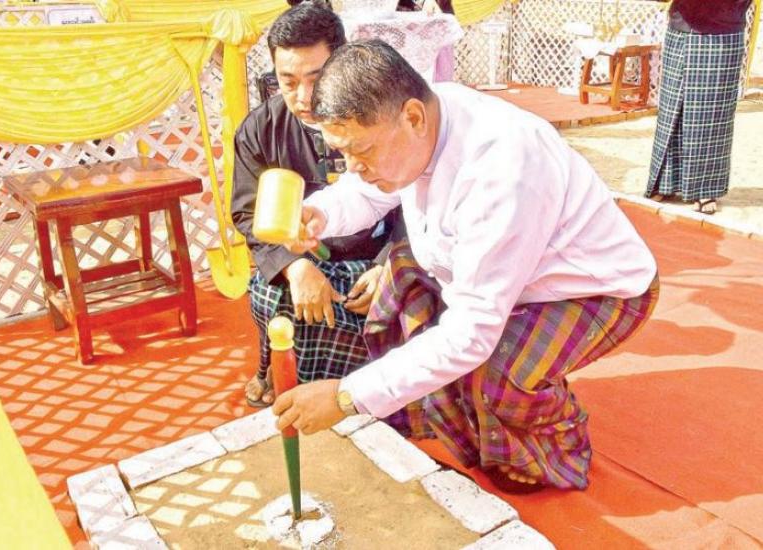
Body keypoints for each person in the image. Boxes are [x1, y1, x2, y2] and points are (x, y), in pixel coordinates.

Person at [273, 40, 659, 493]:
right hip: (495, 271)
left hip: (594, 288)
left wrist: (346, 397)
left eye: (363, 151)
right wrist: (320, 213)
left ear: (413, 117)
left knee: (496, 372)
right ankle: (440, 418)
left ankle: (558, 448)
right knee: (401, 279)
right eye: (344, 153)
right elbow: (368, 188)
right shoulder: (421, 118)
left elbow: (472, 332)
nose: (354, 168)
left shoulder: (503, 170)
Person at [231, 6, 400, 407]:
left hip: (375, 256)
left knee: (401, 296)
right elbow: (246, 212)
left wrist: (390, 264)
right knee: (271, 294)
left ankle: (366, 386)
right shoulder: (260, 129)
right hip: (302, 256)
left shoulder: (377, 115)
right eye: (288, 82)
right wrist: (295, 266)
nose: (303, 97)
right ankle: (280, 372)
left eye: (316, 78)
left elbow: (412, 197)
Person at [645, 0, 753, 214]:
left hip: (723, 29)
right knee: (671, 109)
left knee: (712, 115)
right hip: (682, 25)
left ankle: (705, 189)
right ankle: (665, 183)